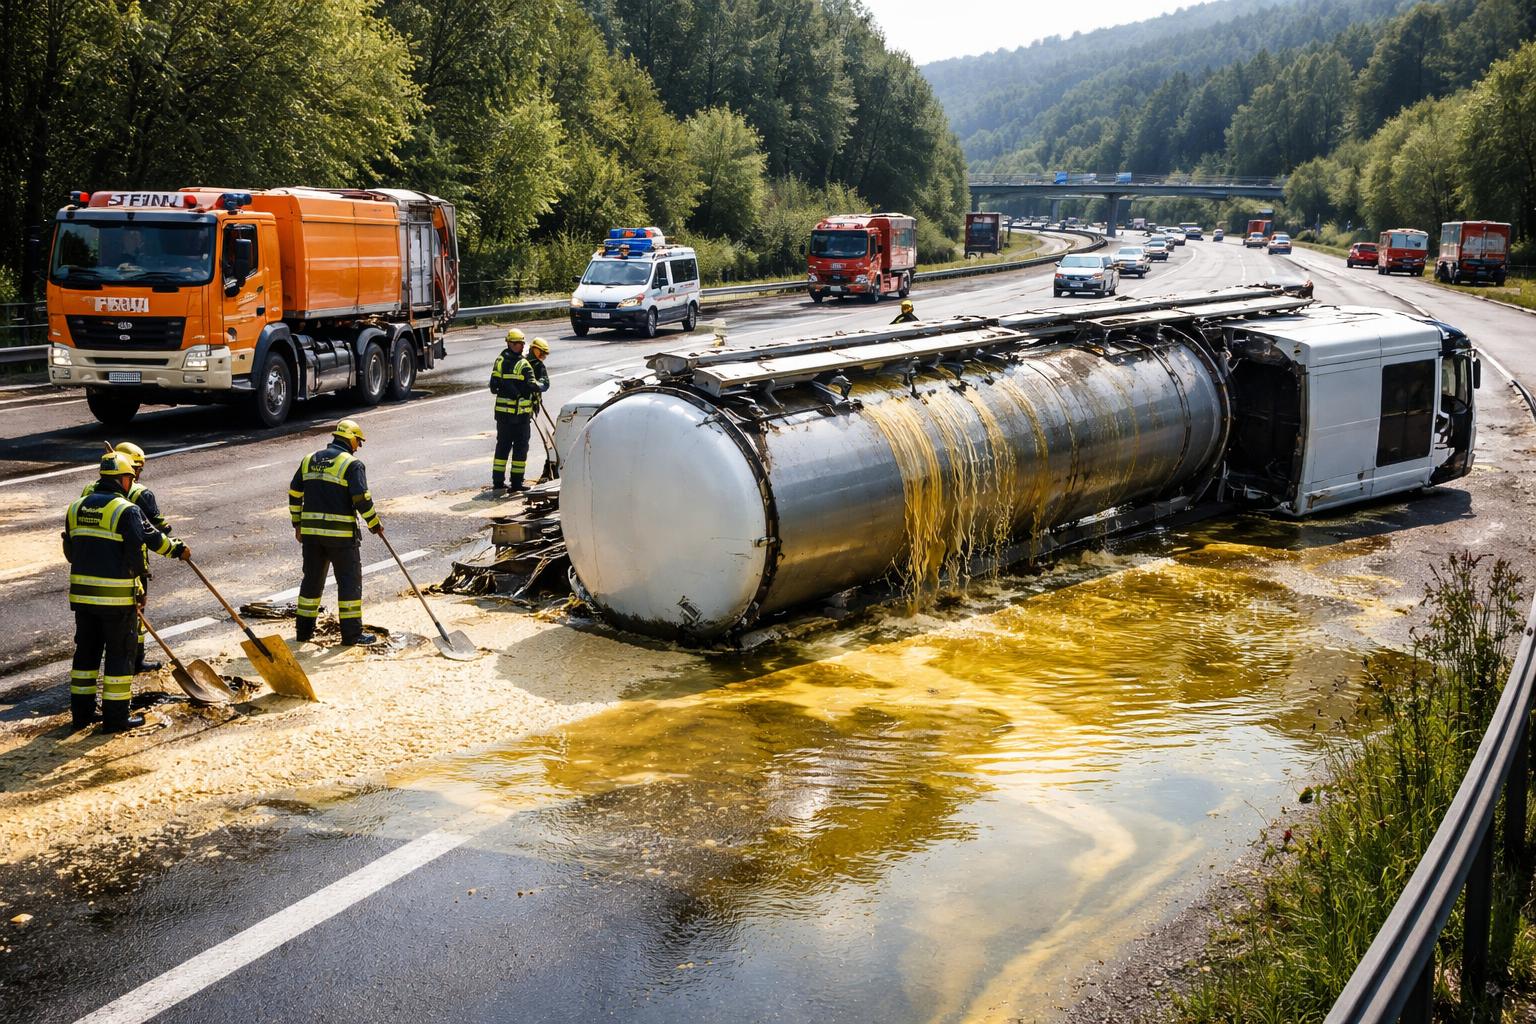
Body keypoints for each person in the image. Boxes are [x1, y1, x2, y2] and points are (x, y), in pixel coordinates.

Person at [63, 452, 190, 732]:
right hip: (116, 599)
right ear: (123, 479)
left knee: (86, 655)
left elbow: (70, 551)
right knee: (120, 655)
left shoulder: (76, 507)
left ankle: (81, 715)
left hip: (82, 598)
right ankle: (116, 718)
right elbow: (142, 546)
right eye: (130, 478)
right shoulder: (125, 509)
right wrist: (174, 553)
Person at [81, 441, 178, 672]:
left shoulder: (88, 491)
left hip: (90, 567)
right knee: (132, 617)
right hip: (130, 566)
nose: (138, 474)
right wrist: (172, 543)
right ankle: (133, 659)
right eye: (137, 469)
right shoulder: (141, 494)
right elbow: (156, 531)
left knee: (91, 634)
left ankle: (123, 660)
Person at [288, 419, 383, 646]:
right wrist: (374, 523)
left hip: (311, 537)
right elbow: (361, 499)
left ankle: (303, 633)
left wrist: (297, 524)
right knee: (349, 583)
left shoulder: (309, 460)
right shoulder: (352, 464)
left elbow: (294, 492)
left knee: (311, 583)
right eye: (358, 441)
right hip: (340, 538)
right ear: (350, 438)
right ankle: (351, 636)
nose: (358, 446)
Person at [489, 329, 536, 493]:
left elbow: (496, 386)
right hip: (510, 416)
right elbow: (493, 386)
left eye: (521, 343)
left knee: (519, 449)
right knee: (506, 447)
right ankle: (499, 482)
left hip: (518, 415)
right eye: (516, 343)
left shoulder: (506, 361)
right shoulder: (509, 362)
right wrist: (515, 391)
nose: (519, 346)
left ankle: (516, 483)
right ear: (509, 343)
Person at [527, 338, 551, 414]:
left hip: (531, 404)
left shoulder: (539, 365)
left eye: (545, 354)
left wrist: (533, 385)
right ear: (534, 349)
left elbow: (545, 384)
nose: (543, 356)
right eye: (542, 353)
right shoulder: (524, 362)